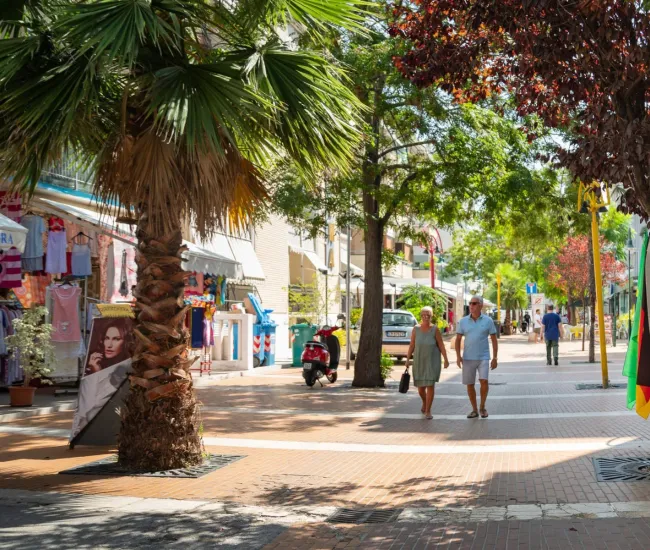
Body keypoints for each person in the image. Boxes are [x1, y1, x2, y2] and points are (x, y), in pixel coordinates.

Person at [455, 296, 498, 419]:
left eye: (474, 303)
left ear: (480, 305)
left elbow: (494, 340)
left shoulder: (488, 321)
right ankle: (474, 409)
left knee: (484, 381)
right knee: (470, 384)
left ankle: (482, 406)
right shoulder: (463, 321)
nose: (471, 305)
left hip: (483, 357)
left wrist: (495, 358)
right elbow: (458, 339)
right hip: (468, 358)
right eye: (470, 303)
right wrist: (458, 357)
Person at [405, 306, 450, 419]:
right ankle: (425, 402)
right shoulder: (416, 329)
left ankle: (428, 411)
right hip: (419, 361)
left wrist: (446, 359)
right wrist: (407, 360)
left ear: (431, 315)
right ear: (421, 316)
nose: (426, 316)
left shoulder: (435, 329)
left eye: (428, 314)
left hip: (432, 361)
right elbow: (412, 345)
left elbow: (441, 345)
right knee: (420, 389)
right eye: (424, 314)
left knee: (430, 385)